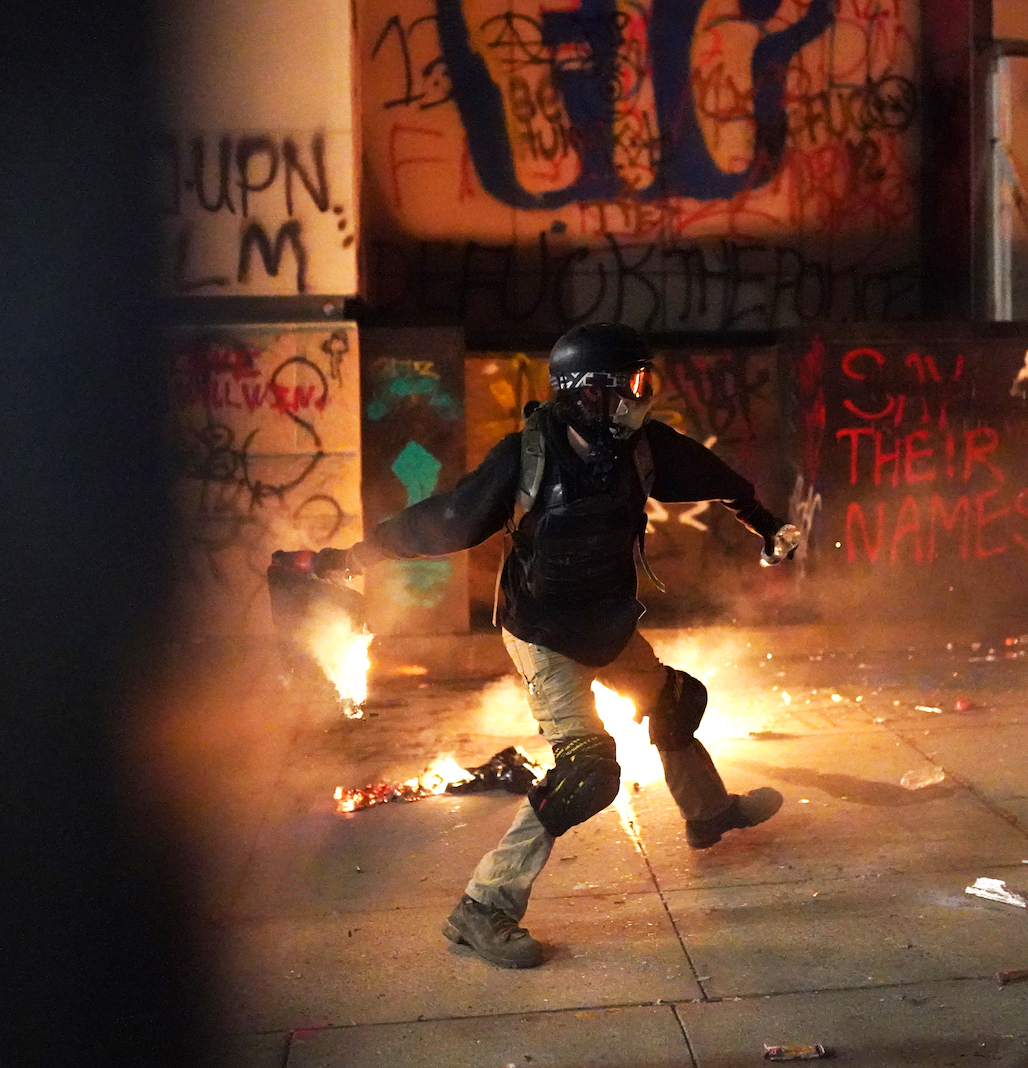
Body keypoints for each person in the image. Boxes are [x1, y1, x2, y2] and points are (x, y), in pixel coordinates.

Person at [315, 322, 802, 969]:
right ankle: (481, 908)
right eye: (626, 386)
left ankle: (707, 814)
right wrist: (358, 554)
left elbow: (722, 480)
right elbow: (447, 520)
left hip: (607, 623)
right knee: (586, 775)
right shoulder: (524, 458)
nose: (638, 399)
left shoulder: (642, 451)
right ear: (584, 394)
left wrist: (768, 529)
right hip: (543, 635)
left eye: (643, 384)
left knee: (677, 701)